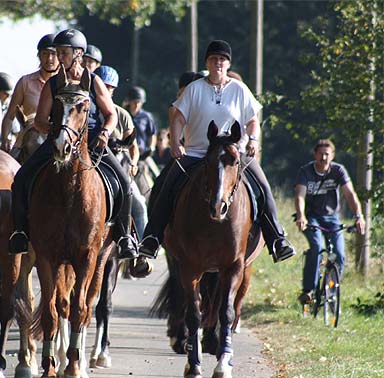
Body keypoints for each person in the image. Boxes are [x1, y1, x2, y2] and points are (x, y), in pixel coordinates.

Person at [138, 39, 295, 265]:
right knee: (166, 185)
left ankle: (277, 238)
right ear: (207, 63)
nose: (218, 63)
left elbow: (252, 121)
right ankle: (151, 237)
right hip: (197, 152)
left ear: (228, 64)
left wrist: (253, 139)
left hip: (234, 154)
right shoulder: (194, 89)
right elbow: (178, 118)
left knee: (263, 187)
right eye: (213, 59)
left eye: (222, 59)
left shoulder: (240, 89)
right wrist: (175, 143)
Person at [8, 28, 138, 260]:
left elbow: (111, 114)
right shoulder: (53, 84)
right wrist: (57, 132)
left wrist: (105, 133)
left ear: (78, 54)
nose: (59, 57)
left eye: (64, 52)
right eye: (58, 52)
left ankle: (124, 235)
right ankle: (20, 232)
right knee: (21, 179)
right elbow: (39, 120)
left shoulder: (94, 82)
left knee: (125, 183)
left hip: (92, 142)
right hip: (58, 140)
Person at [295, 139, 365, 304]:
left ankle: (331, 291)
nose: (324, 157)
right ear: (315, 154)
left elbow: (350, 194)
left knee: (339, 255)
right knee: (317, 247)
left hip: (332, 218)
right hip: (311, 217)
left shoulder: (338, 170)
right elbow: (300, 195)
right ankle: (309, 291)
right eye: (320, 154)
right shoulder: (306, 171)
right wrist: (301, 215)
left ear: (332, 155)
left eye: (327, 154)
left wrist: (359, 216)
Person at [94, 65, 147, 240]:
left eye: (109, 87)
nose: (105, 90)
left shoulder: (121, 114)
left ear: (113, 90)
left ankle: (140, 247)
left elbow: (133, 147)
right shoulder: (86, 110)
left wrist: (133, 163)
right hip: (90, 161)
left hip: (117, 164)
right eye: (102, 86)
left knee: (139, 206)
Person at [4, 34, 59, 157]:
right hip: (27, 139)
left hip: (57, 140)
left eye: (53, 54)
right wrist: (5, 139)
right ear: (39, 55)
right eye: (45, 54)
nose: (49, 58)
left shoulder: (65, 84)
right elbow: (9, 116)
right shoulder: (25, 82)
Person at [124, 86, 157, 159]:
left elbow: (152, 134)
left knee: (153, 166)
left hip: (142, 153)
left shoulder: (147, 117)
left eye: (139, 102)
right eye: (134, 102)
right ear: (129, 101)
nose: (137, 105)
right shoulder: (124, 114)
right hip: (125, 151)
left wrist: (151, 148)